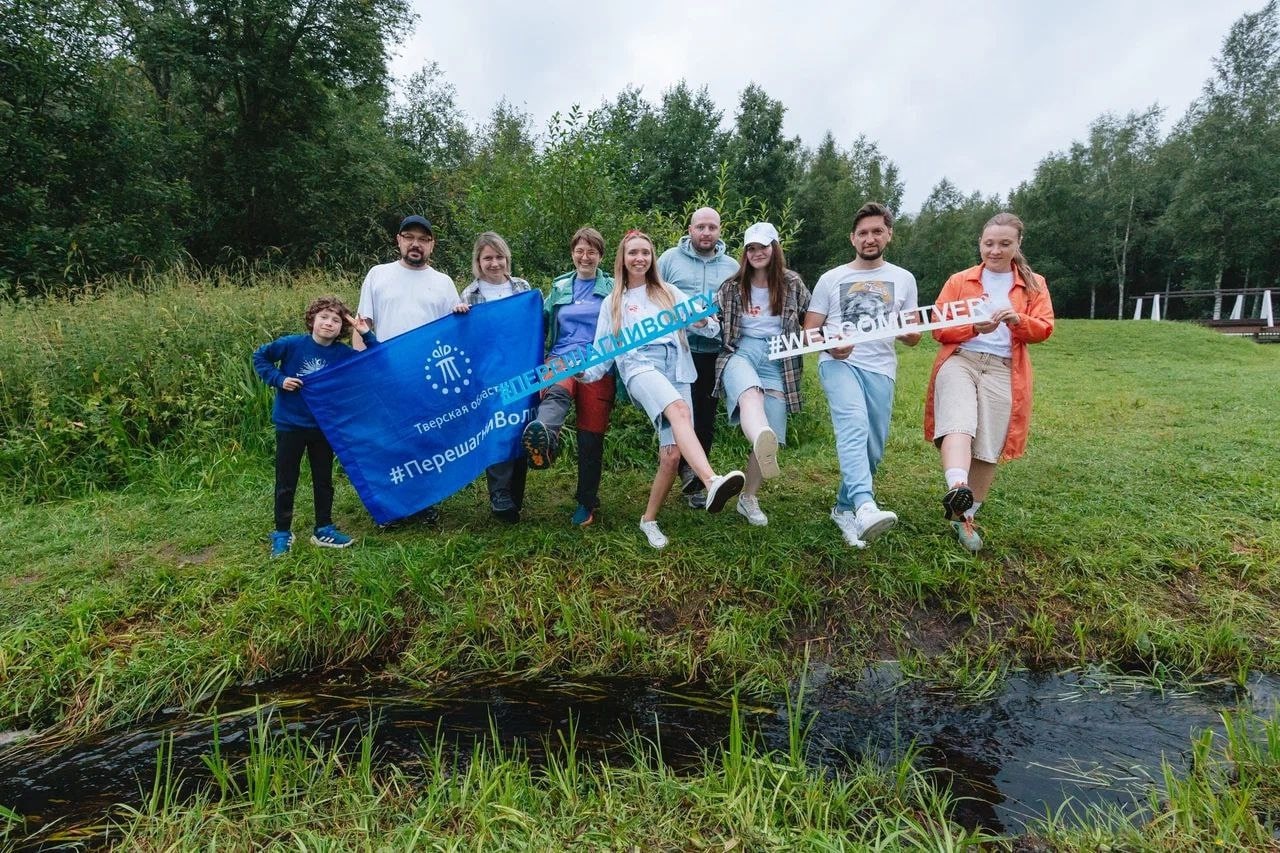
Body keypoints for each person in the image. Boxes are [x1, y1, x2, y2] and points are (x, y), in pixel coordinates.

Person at [581, 230, 745, 549]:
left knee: (671, 455)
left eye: (645, 252)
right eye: (633, 253)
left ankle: (649, 520)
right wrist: (580, 377)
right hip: (640, 365)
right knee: (681, 411)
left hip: (678, 364)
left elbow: (710, 327)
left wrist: (703, 324)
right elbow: (601, 355)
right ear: (623, 259)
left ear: (652, 258)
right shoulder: (613, 301)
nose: (640, 258)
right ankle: (711, 481)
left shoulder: (668, 292)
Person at [924, 212, 1055, 551]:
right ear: (980, 244)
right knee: (958, 421)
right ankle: (956, 485)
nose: (995, 250)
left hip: (1003, 369)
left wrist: (1017, 320)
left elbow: (1044, 328)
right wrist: (972, 328)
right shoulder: (960, 280)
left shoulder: (1034, 284)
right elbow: (938, 327)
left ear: (1018, 244)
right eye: (988, 243)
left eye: (1004, 244)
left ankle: (964, 518)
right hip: (960, 359)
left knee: (988, 444)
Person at [802, 202, 920, 548]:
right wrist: (829, 345)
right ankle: (866, 505)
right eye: (863, 233)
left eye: (877, 232)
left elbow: (914, 336)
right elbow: (809, 332)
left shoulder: (903, 278)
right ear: (852, 238)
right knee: (853, 423)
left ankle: (843, 508)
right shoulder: (832, 278)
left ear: (889, 235)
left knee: (873, 446)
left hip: (881, 367)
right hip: (838, 363)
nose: (870, 239)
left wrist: (902, 330)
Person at [353, 214, 466, 524]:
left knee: (424, 440)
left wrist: (461, 313)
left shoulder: (443, 282)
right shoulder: (378, 274)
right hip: (384, 373)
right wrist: (360, 370)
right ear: (398, 240)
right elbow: (364, 324)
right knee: (388, 441)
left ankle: (423, 503)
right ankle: (391, 506)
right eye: (409, 237)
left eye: (423, 239)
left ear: (432, 245)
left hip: (426, 376)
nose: (416, 244)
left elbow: (455, 331)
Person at [253, 296, 377, 557]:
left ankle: (323, 528)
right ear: (312, 319)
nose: (329, 323)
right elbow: (260, 357)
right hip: (290, 425)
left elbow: (373, 361)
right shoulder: (291, 344)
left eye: (335, 320)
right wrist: (279, 379)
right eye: (324, 317)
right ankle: (282, 531)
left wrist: (365, 333)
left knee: (323, 479)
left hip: (324, 427)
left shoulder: (342, 355)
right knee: (286, 479)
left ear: (341, 327)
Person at [713, 222, 810, 526]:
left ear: (774, 248)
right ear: (745, 253)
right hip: (740, 352)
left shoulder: (792, 283)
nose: (757, 253)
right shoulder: (731, 286)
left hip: (778, 357)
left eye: (763, 247)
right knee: (750, 393)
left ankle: (748, 497)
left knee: (775, 428)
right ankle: (759, 435)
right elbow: (716, 322)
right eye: (751, 248)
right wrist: (705, 326)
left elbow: (813, 319)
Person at [520, 227, 617, 526]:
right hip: (561, 357)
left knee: (591, 435)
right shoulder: (560, 287)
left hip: (598, 363)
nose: (585, 256)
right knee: (555, 391)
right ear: (572, 253)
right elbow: (539, 319)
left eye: (591, 251)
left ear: (600, 255)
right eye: (580, 250)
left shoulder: (614, 288)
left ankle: (586, 502)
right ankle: (545, 440)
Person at [658, 207, 739, 508]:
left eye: (712, 228)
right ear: (690, 229)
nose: (706, 233)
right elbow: (653, 295)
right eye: (701, 227)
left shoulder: (731, 265)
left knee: (704, 419)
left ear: (720, 230)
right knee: (677, 416)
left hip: (710, 353)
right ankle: (672, 469)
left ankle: (694, 482)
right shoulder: (668, 259)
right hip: (675, 351)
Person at [456, 231, 536, 523]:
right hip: (489, 374)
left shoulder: (523, 287)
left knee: (520, 428)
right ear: (478, 261)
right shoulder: (469, 294)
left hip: (521, 368)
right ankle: (499, 494)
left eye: (499, 257)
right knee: (498, 428)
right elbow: (463, 338)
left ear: (507, 258)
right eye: (487, 258)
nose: (494, 263)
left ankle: (516, 494)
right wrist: (460, 315)